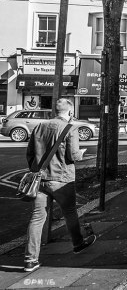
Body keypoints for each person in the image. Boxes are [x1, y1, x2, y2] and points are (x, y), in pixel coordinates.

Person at [23, 98, 96, 272]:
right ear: (70, 112)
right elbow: (73, 156)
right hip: (62, 179)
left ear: (54, 111)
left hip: (40, 180)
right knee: (69, 213)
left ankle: (30, 260)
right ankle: (78, 244)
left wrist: (38, 170)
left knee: (37, 218)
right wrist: (81, 153)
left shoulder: (39, 127)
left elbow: (30, 154)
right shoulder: (70, 129)